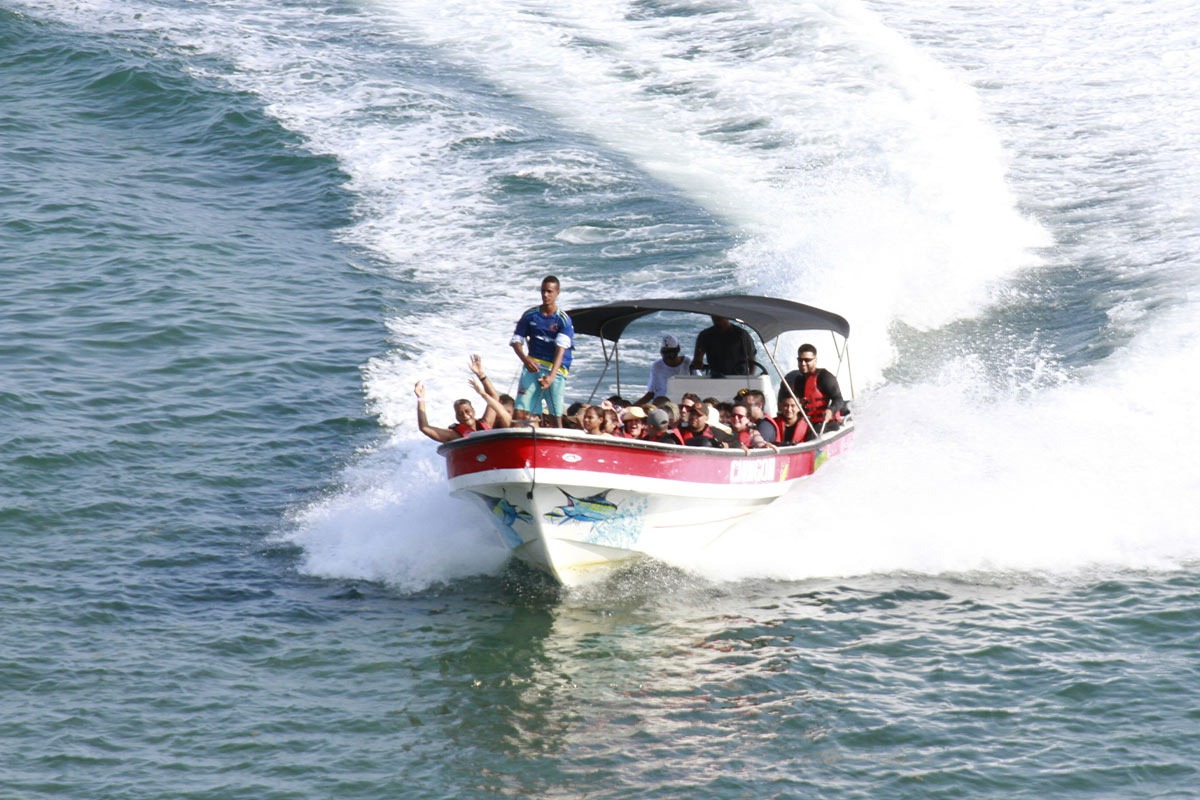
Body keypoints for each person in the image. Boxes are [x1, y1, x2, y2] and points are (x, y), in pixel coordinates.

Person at [511, 275, 573, 427]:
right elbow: (516, 341)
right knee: (520, 411)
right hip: (533, 365)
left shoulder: (563, 319)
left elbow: (561, 350)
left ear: (557, 293)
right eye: (543, 291)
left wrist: (551, 376)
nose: (545, 295)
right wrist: (525, 359)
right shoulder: (530, 315)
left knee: (555, 415)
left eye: (550, 291)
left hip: (556, 368)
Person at [779, 343, 846, 440]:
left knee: (810, 436)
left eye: (807, 360)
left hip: (827, 423)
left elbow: (839, 400)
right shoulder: (798, 380)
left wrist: (830, 410)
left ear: (815, 360)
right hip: (808, 423)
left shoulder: (825, 377)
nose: (803, 363)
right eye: (800, 360)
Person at [414, 380, 491, 443]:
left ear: (473, 411)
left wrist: (482, 376)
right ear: (456, 417)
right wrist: (421, 398)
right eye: (460, 414)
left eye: (467, 411)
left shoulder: (487, 422)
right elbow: (424, 427)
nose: (464, 415)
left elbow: (493, 398)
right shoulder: (453, 435)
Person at [635, 334, 692, 405]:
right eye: (665, 353)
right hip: (661, 403)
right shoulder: (657, 366)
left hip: (682, 403)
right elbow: (651, 392)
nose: (668, 356)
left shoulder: (687, 363)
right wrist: (633, 406)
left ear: (677, 351)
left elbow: (698, 384)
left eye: (671, 353)